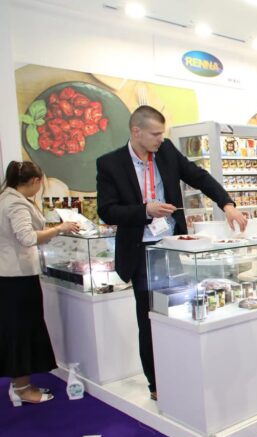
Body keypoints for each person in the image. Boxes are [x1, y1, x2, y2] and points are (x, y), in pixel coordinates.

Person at [96, 106, 247, 401]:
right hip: (141, 251)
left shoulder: (165, 152)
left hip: (171, 246)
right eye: (155, 134)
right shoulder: (110, 164)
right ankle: (156, 383)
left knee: (179, 312)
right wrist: (145, 210)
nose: (160, 139)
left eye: (162, 134)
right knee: (150, 317)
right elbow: (107, 211)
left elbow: (199, 177)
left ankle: (180, 370)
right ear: (136, 131)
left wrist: (227, 204)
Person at [0, 161, 80, 406]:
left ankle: (21, 384)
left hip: (11, 278)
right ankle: (22, 388)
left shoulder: (7, 198)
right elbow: (27, 237)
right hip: (17, 278)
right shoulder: (15, 203)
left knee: (18, 331)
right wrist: (60, 229)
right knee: (23, 332)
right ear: (35, 181)